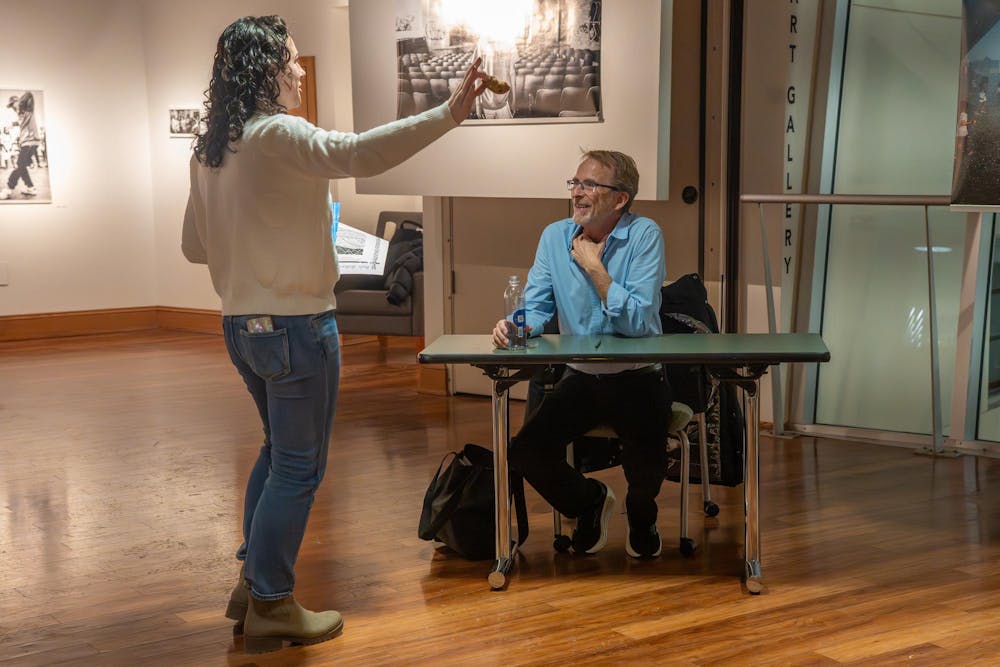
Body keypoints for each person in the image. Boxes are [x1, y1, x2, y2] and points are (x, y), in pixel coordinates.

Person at [181, 15, 486, 654]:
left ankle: (251, 584)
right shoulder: (279, 134)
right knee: (298, 466)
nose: (298, 70)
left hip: (242, 325)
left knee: (276, 454)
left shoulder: (212, 149)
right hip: (295, 326)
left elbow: (191, 247)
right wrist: (448, 113)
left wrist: (263, 242)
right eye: (290, 60)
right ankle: (270, 600)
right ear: (265, 69)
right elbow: (357, 153)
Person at [491, 150, 671, 560]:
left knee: (645, 466)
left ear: (620, 198)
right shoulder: (555, 236)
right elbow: (536, 307)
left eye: (589, 184)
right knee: (526, 451)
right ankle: (590, 501)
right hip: (583, 376)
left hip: (638, 375)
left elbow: (641, 321)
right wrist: (517, 325)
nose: (577, 192)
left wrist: (595, 268)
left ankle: (643, 515)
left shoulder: (645, 235)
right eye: (574, 183)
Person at [0, 92, 41, 200]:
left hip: (30, 142)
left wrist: (20, 103)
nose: (13, 108)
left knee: (19, 165)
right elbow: (19, 122)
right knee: (22, 167)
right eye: (11, 106)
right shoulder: (21, 115)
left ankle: (8, 188)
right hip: (27, 143)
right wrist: (10, 126)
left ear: (18, 102)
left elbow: (29, 94)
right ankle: (31, 188)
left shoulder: (27, 110)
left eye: (13, 105)